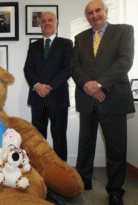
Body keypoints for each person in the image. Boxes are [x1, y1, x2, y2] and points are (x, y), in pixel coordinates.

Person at [70, 0, 134, 204]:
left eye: (98, 10)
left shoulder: (124, 30)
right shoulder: (79, 38)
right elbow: (74, 66)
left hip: (113, 97)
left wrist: (99, 85)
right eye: (89, 12)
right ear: (86, 16)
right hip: (87, 97)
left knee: (116, 147)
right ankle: (83, 181)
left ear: (105, 11)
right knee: (85, 144)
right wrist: (88, 86)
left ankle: (115, 191)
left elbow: (125, 61)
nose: (94, 15)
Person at [23, 12, 73, 161]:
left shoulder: (66, 43)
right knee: (38, 138)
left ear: (56, 23)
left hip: (58, 98)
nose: (47, 23)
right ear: (40, 26)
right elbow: (28, 69)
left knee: (59, 137)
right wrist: (37, 85)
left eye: (50, 20)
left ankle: (61, 173)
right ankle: (40, 170)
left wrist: (49, 86)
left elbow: (68, 69)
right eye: (43, 21)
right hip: (37, 97)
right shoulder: (33, 46)